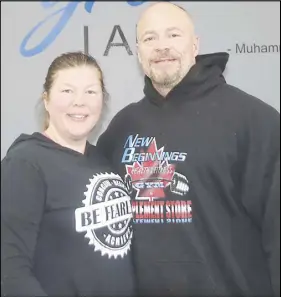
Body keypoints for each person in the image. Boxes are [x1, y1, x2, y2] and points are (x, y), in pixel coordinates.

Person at [96, 2, 280, 297]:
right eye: (150, 38)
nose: (162, 46)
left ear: (195, 45)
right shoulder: (122, 126)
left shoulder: (255, 120)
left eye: (173, 35)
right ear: (138, 51)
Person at [1, 51, 135, 297]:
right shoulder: (25, 163)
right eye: (67, 91)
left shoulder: (102, 160)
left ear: (102, 101)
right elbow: (10, 270)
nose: (79, 102)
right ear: (46, 100)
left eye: (90, 92)